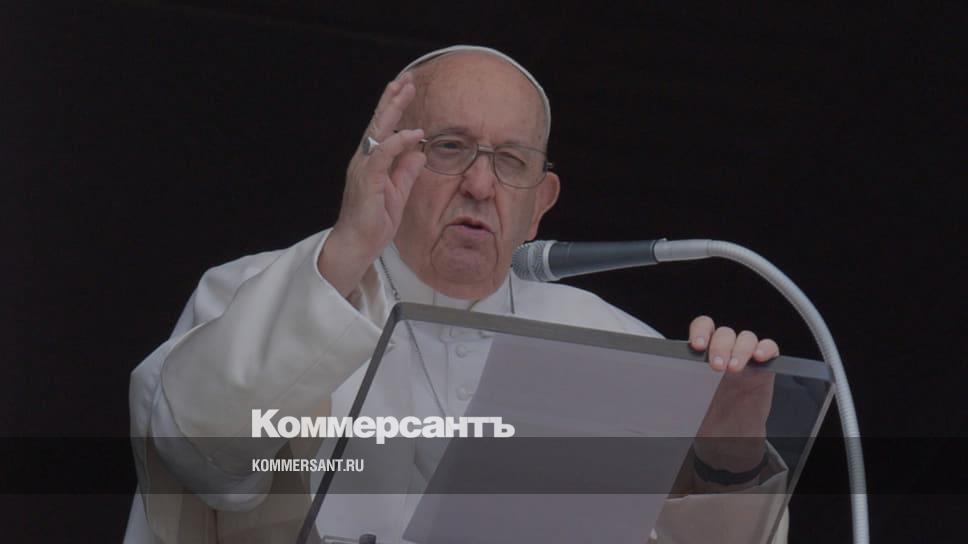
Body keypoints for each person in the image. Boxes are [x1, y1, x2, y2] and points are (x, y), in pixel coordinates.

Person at [125, 45, 788, 543]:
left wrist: (728, 462)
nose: (480, 185)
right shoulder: (263, 296)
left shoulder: (618, 347)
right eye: (449, 148)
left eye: (511, 161)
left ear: (540, 204)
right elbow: (202, 456)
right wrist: (346, 251)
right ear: (389, 163)